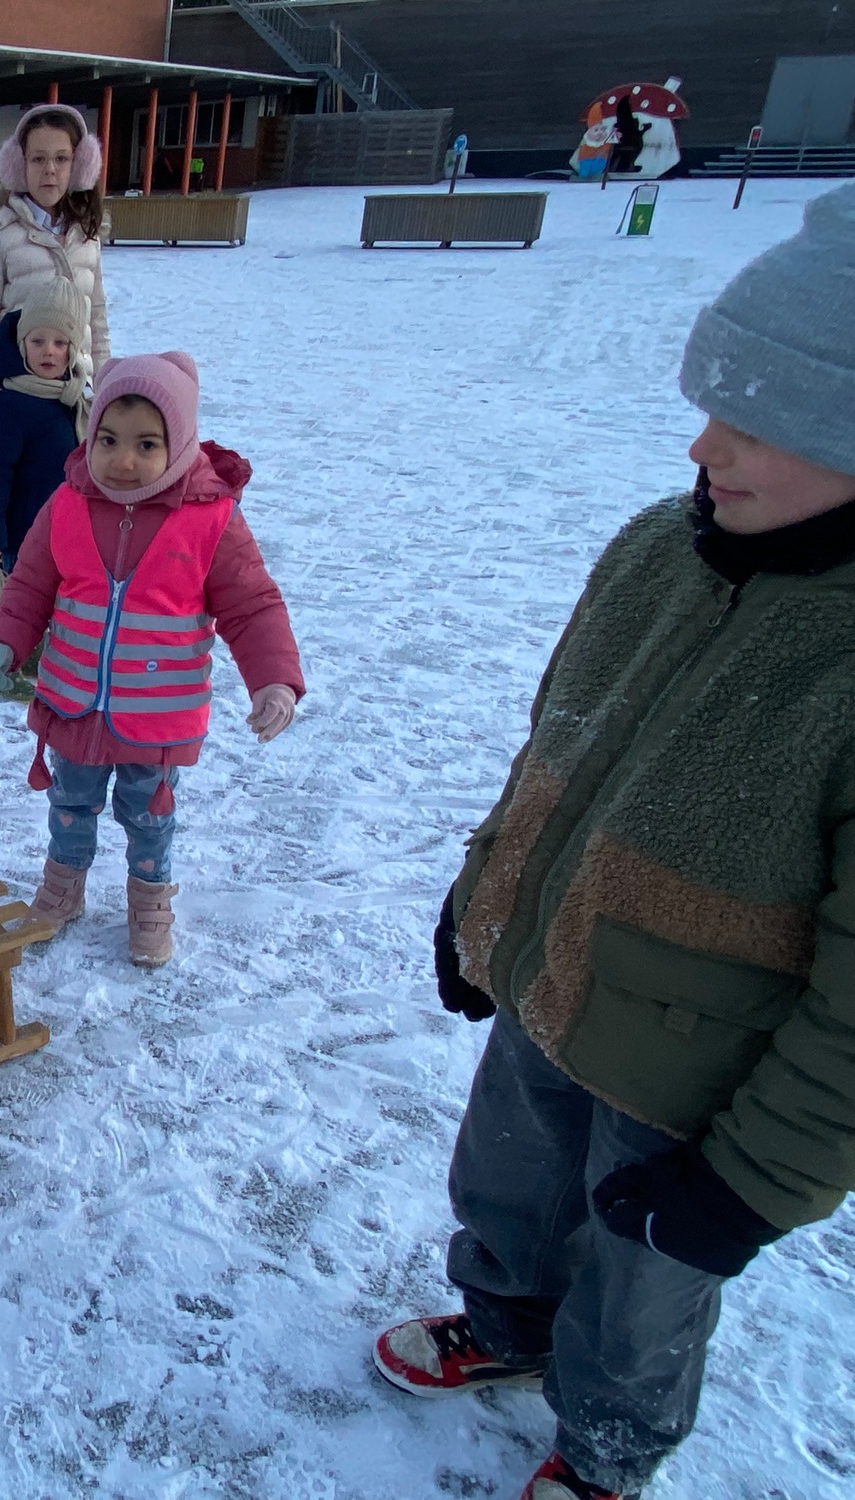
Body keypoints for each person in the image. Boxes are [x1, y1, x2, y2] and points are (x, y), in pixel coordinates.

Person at [372, 184, 855, 1500]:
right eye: (709, 403)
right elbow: (556, 748)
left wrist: (752, 1181)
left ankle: (607, 1448)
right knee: (508, 1184)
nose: (705, 444)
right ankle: (507, 1321)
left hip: (693, 1087)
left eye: (759, 421)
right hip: (554, 980)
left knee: (645, 1286)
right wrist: (483, 900)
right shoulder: (659, 548)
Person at [0, 353, 303, 966]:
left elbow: (252, 604)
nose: (123, 460)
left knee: (149, 814)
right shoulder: (67, 504)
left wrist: (275, 680)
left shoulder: (211, 519)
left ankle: (150, 900)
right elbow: (30, 586)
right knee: (70, 802)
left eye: (147, 444)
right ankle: (64, 884)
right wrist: (6, 641)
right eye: (109, 440)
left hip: (157, 715)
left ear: (180, 444)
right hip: (74, 701)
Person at [0, 103, 110, 438]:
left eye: (61, 159)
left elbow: (96, 323)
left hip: (79, 403)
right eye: (38, 159)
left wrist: (104, 393)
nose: (50, 170)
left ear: (79, 165)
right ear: (19, 165)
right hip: (21, 406)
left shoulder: (87, 237)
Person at [0, 278, 88, 622]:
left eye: (60, 342)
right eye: (37, 341)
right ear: (22, 345)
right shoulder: (8, 405)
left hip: (66, 531)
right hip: (21, 536)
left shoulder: (75, 401)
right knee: (24, 611)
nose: (49, 351)